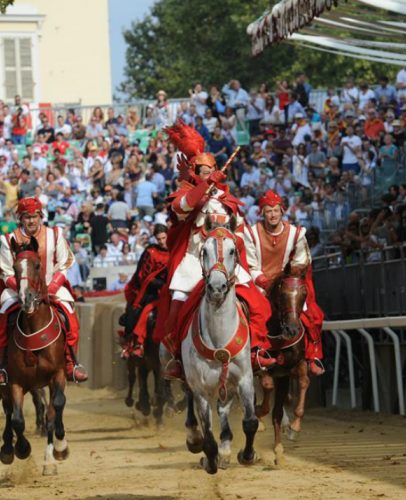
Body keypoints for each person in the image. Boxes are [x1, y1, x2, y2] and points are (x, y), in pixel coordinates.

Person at [155, 121, 276, 381]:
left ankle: (256, 348)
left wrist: (242, 261)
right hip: (193, 261)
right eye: (203, 170)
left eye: (212, 170)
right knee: (177, 304)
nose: (209, 173)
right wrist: (205, 185)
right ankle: (178, 356)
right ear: (194, 171)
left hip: (226, 262)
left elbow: (240, 232)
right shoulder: (184, 193)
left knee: (259, 303)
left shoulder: (226, 201)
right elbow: (182, 208)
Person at [0, 197, 88, 385]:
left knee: (69, 315)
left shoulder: (55, 234)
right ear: (21, 218)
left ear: (41, 216)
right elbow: (5, 271)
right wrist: (22, 289)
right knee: (2, 313)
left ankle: (71, 363)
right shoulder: (8, 240)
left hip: (52, 285)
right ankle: (2, 366)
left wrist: (51, 288)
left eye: (35, 216)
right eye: (27, 217)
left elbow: (65, 264)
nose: (31, 221)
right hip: (19, 288)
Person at [248, 191, 325, 376]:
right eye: (268, 211)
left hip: (287, 282)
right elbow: (249, 263)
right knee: (246, 310)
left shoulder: (296, 233)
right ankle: (253, 352)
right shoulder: (251, 233)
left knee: (310, 313)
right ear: (262, 213)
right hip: (259, 283)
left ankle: (312, 356)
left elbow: (302, 259)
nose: (273, 214)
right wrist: (265, 282)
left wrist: (290, 274)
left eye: (275, 210)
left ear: (282, 211)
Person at [121, 224, 168, 359]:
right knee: (137, 312)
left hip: (169, 290)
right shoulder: (150, 252)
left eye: (164, 238)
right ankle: (132, 343)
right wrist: (159, 285)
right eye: (159, 239)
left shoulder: (174, 251)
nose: (162, 242)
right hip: (148, 290)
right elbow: (143, 275)